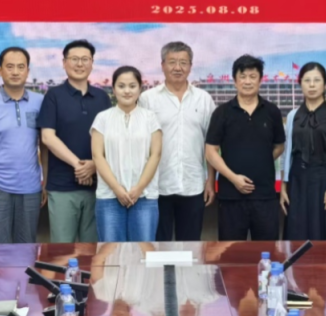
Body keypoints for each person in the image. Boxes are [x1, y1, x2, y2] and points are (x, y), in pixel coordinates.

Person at [138, 42, 216, 241]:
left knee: (190, 246)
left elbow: (211, 144)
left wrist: (210, 180)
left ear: (190, 66)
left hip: (193, 185)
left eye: (183, 62)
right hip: (156, 186)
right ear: (163, 65)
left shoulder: (204, 99)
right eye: (172, 62)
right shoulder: (148, 99)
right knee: (157, 247)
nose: (178, 68)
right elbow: (140, 144)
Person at [205, 55, 286, 241]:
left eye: (252, 76)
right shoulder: (222, 113)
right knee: (231, 253)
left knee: (267, 251)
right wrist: (234, 178)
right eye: (242, 76)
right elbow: (210, 151)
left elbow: (279, 146)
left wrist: (262, 160)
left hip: (265, 196)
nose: (247, 81)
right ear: (235, 81)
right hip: (230, 197)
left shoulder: (272, 111)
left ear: (260, 80)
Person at [39, 40, 111, 243]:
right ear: (64, 63)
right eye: (74, 59)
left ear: (92, 63)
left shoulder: (102, 98)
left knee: (94, 250)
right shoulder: (53, 96)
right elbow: (47, 137)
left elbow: (112, 139)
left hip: (99, 187)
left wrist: (94, 165)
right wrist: (79, 166)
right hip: (62, 186)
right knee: (62, 250)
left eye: (85, 59)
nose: (80, 64)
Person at [0, 47, 46, 244]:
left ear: (28, 71)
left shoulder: (40, 102)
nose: (15, 72)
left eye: (21, 67)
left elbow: (45, 145)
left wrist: (45, 182)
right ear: (0, 70)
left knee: (27, 246)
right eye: (10, 67)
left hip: (31, 187)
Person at [91, 66, 163, 241]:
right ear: (113, 89)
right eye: (121, 86)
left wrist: (138, 189)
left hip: (144, 196)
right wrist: (117, 189)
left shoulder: (150, 118)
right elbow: (97, 156)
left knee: (143, 251)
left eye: (132, 86)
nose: (127, 91)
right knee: (111, 252)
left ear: (140, 88)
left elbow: (155, 155)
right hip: (109, 196)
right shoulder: (102, 118)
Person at [280, 62, 326, 241]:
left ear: (325, 84)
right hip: (297, 181)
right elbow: (286, 153)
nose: (312, 85)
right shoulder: (293, 115)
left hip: (325, 179)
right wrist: (284, 187)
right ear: (300, 84)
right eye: (307, 80)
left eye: (317, 80)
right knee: (297, 232)